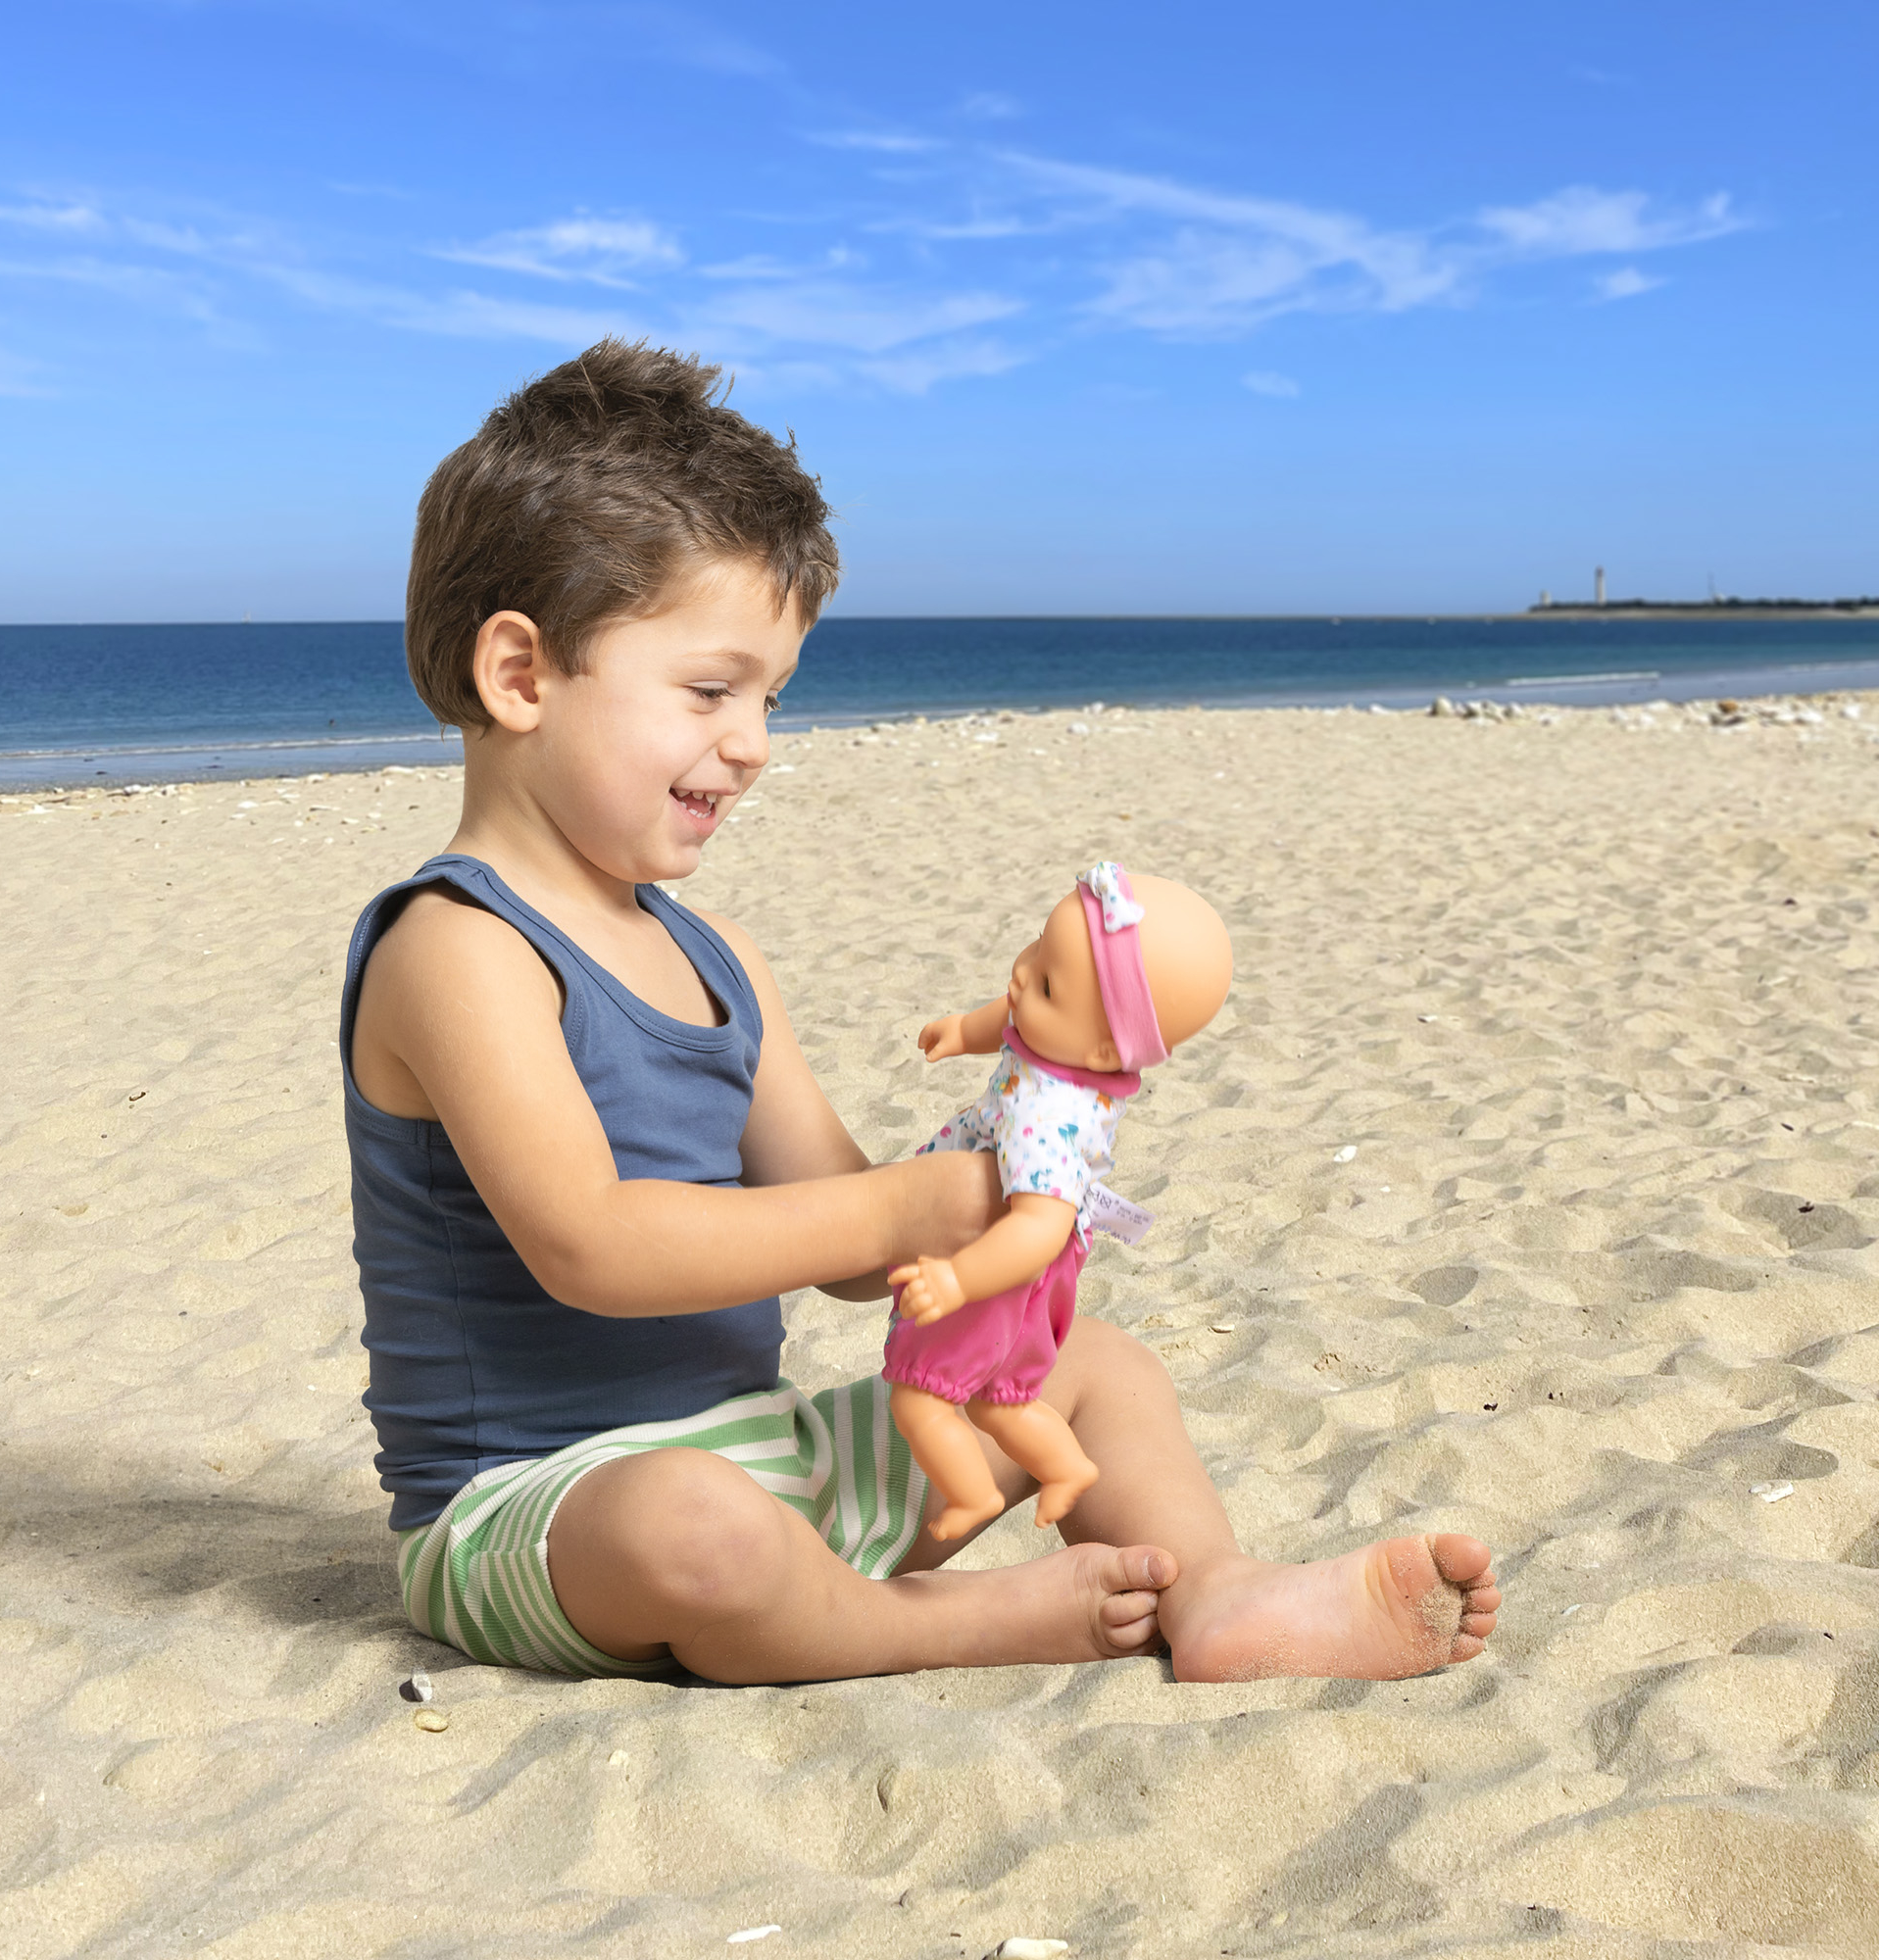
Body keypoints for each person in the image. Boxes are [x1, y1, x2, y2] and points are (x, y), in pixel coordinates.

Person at [342, 338, 1503, 1686]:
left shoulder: (717, 958)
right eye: (711, 690)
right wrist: (900, 1213)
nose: (755, 741)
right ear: (523, 677)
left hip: (762, 1455)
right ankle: (935, 1624)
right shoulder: (457, 946)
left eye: (771, 696)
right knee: (690, 1530)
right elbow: (591, 1246)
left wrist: (991, 1176)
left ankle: (1224, 1596)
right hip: (538, 1512)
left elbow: (838, 1238)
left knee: (1098, 1367)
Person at [884, 862, 1233, 1543]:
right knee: (1002, 1400)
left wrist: (958, 1277)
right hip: (1035, 1267)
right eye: (1036, 948)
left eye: (1045, 980)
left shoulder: (1044, 1118)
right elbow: (1012, 1018)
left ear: (1107, 1045)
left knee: (919, 1398)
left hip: (1001, 1261)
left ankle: (969, 1494)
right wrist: (964, 1029)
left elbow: (1038, 1228)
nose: (1020, 976)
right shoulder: (1068, 1044)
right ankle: (1067, 1466)